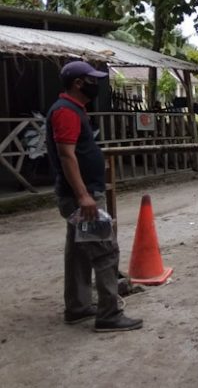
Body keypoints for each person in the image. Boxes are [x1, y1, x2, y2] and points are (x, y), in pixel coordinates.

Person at [46, 60, 143, 332]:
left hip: (78, 194)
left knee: (78, 252)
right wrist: (83, 196)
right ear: (79, 83)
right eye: (92, 79)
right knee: (105, 251)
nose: (96, 84)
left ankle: (77, 307)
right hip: (82, 196)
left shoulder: (74, 109)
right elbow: (67, 156)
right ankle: (109, 314)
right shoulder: (65, 111)